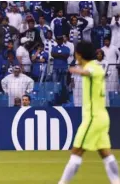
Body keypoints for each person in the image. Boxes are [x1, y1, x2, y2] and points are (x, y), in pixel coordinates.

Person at [59, 41, 120, 184]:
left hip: (93, 118)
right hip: (101, 117)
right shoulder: (93, 67)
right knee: (105, 153)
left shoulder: (94, 68)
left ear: (79, 55)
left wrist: (77, 71)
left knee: (76, 151)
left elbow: (90, 72)